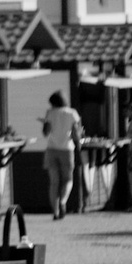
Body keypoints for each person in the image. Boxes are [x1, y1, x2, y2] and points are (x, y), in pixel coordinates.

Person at [40, 91, 83, 220]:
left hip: (51, 149)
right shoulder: (72, 113)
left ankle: (55, 211)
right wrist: (78, 144)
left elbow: (45, 133)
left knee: (54, 182)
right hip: (67, 149)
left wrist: (45, 123)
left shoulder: (50, 113)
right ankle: (63, 201)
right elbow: (76, 133)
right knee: (68, 180)